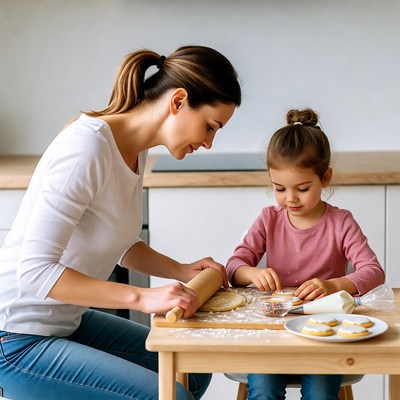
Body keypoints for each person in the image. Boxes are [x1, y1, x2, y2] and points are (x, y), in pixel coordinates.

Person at [0, 45, 241, 400]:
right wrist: (141, 297)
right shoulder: (87, 147)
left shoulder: (135, 149)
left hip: (65, 323)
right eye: (209, 126)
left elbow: (121, 243)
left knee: (192, 371)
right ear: (178, 101)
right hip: (15, 338)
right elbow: (34, 271)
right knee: (168, 396)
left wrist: (182, 270)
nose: (208, 142)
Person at [226, 108, 385, 400]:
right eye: (279, 188)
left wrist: (336, 284)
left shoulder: (341, 222)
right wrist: (254, 272)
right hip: (274, 327)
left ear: (325, 178)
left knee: (322, 394)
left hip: (323, 330)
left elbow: (373, 271)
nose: (290, 199)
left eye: (302, 188)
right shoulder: (268, 219)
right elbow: (233, 266)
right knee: (262, 390)